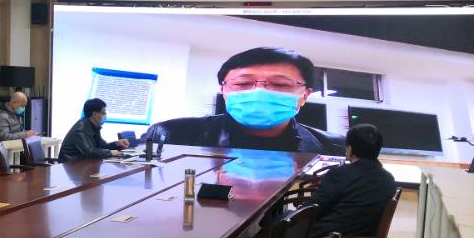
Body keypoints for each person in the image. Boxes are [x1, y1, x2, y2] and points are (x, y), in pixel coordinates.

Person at [143, 47, 344, 153]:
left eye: (279, 84)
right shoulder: (170, 135)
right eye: (242, 83)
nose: (259, 92)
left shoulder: (336, 148)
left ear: (304, 96)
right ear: (224, 90)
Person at [307, 123, 397, 238]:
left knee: (284, 227)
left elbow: (311, 210)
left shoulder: (340, 174)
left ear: (350, 149)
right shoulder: (388, 180)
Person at [58, 98, 130, 161]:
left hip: (84, 163)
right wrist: (109, 152)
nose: (105, 116)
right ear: (94, 114)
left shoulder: (94, 126)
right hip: (71, 165)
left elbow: (102, 146)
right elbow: (89, 152)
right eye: (103, 113)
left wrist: (117, 143)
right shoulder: (80, 129)